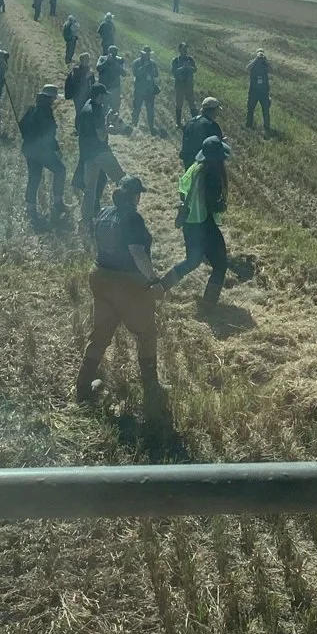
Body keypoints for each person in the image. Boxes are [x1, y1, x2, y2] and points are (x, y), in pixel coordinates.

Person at [75, 176, 168, 412]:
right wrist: (154, 281)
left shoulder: (104, 213)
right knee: (146, 332)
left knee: (100, 334)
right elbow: (137, 253)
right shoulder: (133, 217)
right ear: (135, 196)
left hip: (100, 276)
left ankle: (83, 387)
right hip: (127, 283)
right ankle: (151, 388)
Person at [161, 136, 231, 308]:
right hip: (205, 225)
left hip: (191, 222)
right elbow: (211, 204)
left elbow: (183, 190)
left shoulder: (195, 168)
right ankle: (208, 305)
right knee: (221, 264)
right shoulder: (212, 176)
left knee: (192, 261)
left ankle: (161, 286)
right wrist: (220, 206)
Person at [76, 83, 125, 225]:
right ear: (99, 96)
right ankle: (124, 210)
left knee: (89, 189)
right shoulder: (97, 111)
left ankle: (85, 220)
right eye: (104, 96)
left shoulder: (85, 107)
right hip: (100, 152)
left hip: (87, 153)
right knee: (121, 179)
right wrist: (110, 128)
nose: (106, 99)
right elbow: (101, 136)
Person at [19, 85, 68, 224]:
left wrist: (29, 138)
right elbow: (49, 134)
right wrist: (56, 149)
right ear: (50, 98)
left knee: (34, 177)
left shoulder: (32, 109)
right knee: (60, 170)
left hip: (29, 148)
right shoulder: (46, 111)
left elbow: (21, 126)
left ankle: (31, 208)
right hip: (42, 151)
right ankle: (58, 201)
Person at [179, 97, 223, 169]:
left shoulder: (190, 122)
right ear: (213, 111)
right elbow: (217, 149)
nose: (217, 114)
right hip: (202, 165)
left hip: (188, 162)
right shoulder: (212, 126)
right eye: (217, 111)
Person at [96, 44, 128, 129]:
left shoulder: (120, 60)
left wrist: (118, 65)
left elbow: (124, 73)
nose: (114, 54)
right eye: (112, 52)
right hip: (105, 87)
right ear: (108, 52)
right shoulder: (102, 58)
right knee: (104, 106)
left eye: (115, 52)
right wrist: (107, 61)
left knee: (115, 106)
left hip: (115, 87)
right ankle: (103, 124)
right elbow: (98, 68)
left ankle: (114, 124)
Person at [131, 46, 160, 133]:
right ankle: (134, 124)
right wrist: (144, 67)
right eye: (145, 54)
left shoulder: (153, 63)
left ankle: (151, 127)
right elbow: (136, 73)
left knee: (150, 110)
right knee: (136, 108)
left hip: (149, 91)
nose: (147, 56)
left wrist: (151, 70)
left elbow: (156, 74)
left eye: (148, 54)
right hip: (139, 90)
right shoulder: (136, 62)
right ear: (142, 54)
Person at [171, 41, 198, 126]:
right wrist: (183, 68)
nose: (185, 51)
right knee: (179, 104)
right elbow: (174, 72)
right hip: (179, 85)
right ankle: (178, 122)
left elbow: (195, 70)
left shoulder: (190, 59)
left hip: (189, 85)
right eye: (183, 49)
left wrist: (189, 67)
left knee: (192, 103)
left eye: (186, 49)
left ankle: (196, 122)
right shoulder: (175, 60)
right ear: (180, 50)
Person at [245, 48, 272, 134]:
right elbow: (247, 68)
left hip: (264, 92)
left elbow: (272, 70)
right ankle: (249, 125)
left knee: (266, 110)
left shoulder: (265, 64)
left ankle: (267, 127)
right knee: (250, 108)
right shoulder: (253, 62)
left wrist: (266, 61)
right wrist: (256, 60)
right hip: (254, 91)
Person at [65, 52, 95, 117]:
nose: (87, 61)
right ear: (81, 60)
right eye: (86, 59)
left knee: (87, 113)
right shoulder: (76, 70)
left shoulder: (89, 70)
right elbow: (75, 83)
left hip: (88, 95)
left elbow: (93, 83)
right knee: (79, 113)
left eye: (88, 59)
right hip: (78, 95)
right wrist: (86, 77)